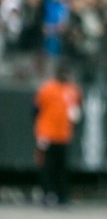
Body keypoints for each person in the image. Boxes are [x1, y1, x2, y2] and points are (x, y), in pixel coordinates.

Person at [34, 62, 83, 206]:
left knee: (62, 168)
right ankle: (48, 195)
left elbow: (78, 110)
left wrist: (74, 122)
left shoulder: (73, 90)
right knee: (47, 167)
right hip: (47, 134)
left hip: (63, 135)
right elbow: (35, 110)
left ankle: (62, 196)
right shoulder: (47, 89)